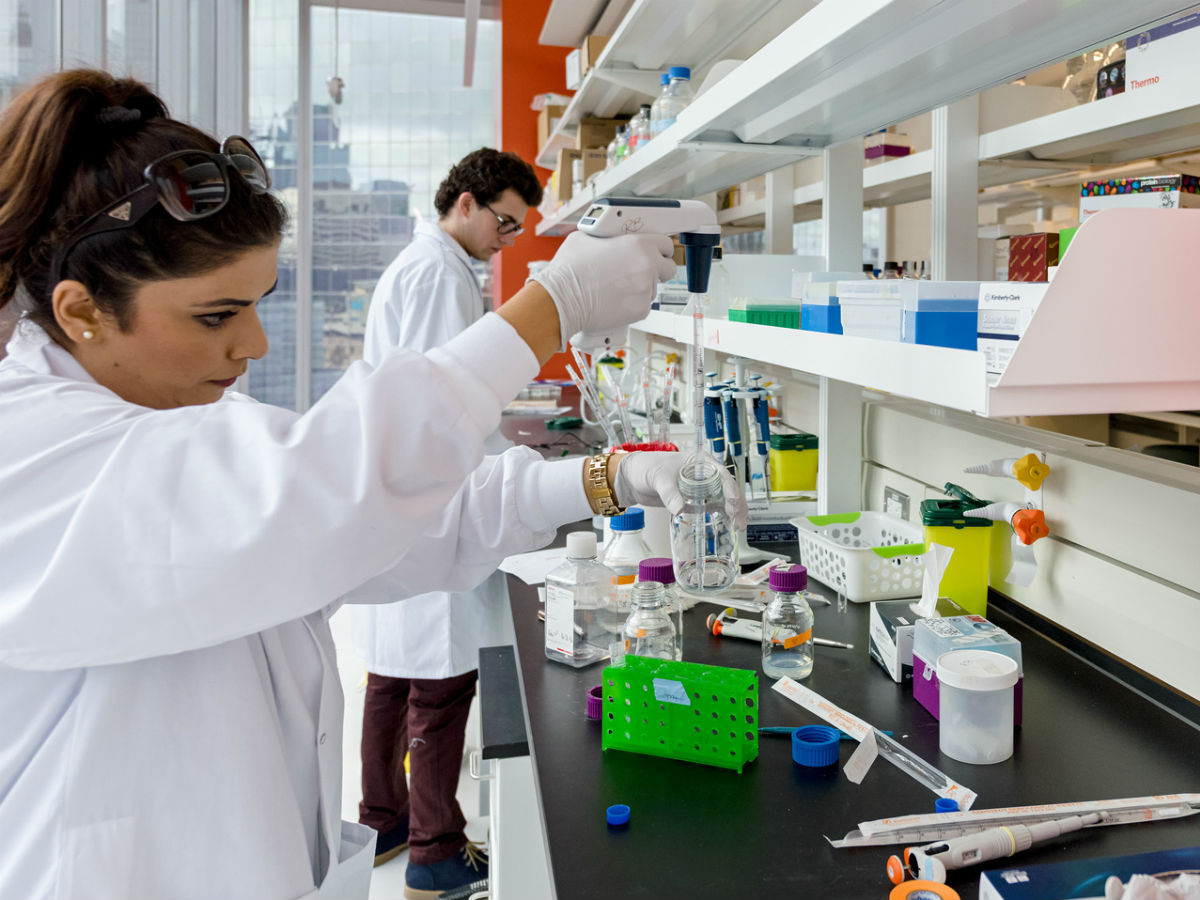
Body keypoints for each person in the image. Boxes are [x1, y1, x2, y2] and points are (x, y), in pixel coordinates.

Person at [0, 70, 745, 899]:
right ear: (80, 312)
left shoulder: (171, 437)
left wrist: (610, 477)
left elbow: (399, 527)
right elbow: (327, 495)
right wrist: (552, 305)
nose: (254, 344)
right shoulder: (25, 453)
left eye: (258, 304)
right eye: (216, 316)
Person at [349, 148, 542, 898]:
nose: (506, 238)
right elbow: (445, 402)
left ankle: (384, 822)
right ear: (464, 202)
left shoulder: (431, 266)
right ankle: (435, 850)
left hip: (404, 497)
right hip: (432, 499)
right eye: (503, 221)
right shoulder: (438, 274)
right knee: (438, 680)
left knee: (392, 677)